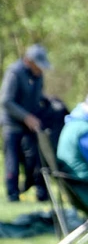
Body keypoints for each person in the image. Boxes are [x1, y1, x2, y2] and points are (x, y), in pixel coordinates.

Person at [2, 44, 52, 203]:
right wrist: (26, 117)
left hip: (29, 126)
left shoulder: (38, 76)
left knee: (34, 159)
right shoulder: (14, 72)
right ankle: (13, 194)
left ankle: (38, 191)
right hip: (12, 124)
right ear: (29, 61)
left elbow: (37, 97)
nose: (41, 69)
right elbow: (5, 101)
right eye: (38, 64)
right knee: (13, 160)